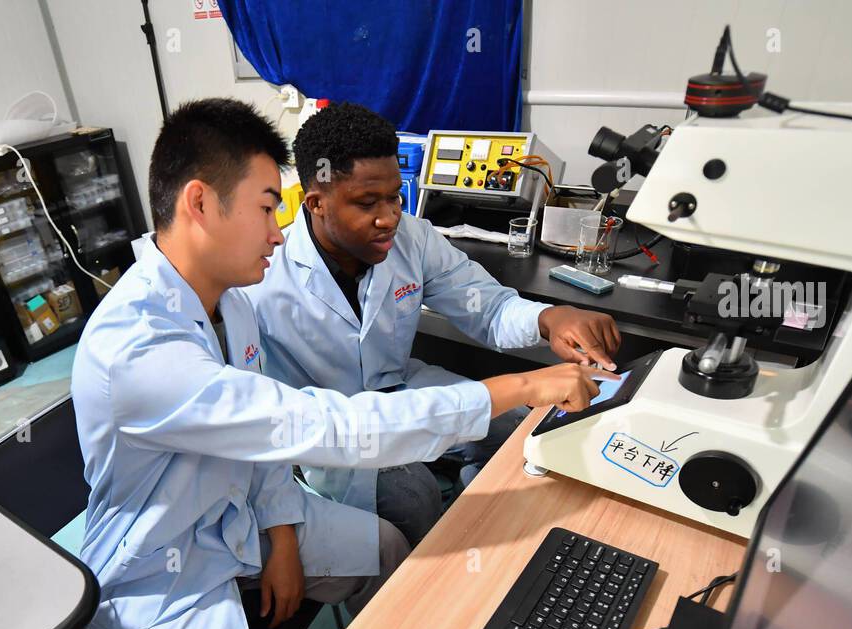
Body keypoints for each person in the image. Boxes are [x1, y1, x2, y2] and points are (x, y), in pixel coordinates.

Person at [71, 98, 615, 629]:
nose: (277, 233)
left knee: (386, 547)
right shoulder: (139, 348)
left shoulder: (227, 302)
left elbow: (259, 445)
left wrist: (280, 534)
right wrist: (523, 385)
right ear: (201, 203)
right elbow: (317, 426)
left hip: (241, 516)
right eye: (267, 207)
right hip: (164, 573)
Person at [246, 102, 623, 548]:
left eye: (394, 197)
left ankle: (487, 534)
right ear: (316, 204)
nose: (389, 218)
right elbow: (262, 422)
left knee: (517, 430)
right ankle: (436, 578)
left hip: (402, 387)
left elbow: (488, 308)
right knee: (414, 497)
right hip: (338, 428)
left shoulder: (413, 238)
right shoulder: (262, 280)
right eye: (367, 203)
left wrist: (547, 318)